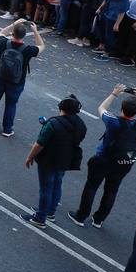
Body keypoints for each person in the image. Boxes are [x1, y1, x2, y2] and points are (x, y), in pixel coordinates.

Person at [70, 85, 136, 228]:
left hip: (103, 160)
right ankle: (98, 219)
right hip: (122, 164)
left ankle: (81, 216)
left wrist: (114, 94)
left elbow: (101, 108)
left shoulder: (113, 121)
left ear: (122, 108)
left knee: (91, 187)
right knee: (111, 190)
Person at [22, 95, 86, 228]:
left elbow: (39, 144)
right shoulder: (81, 124)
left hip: (48, 161)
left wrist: (30, 157)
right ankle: (50, 212)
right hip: (65, 160)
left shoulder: (52, 124)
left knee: (46, 188)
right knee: (57, 184)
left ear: (61, 107)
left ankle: (40, 218)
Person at [0, 19, 43, 137]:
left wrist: (13, 24)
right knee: (11, 104)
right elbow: (41, 45)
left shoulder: (4, 43)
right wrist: (35, 31)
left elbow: (0, 33)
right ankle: (7, 129)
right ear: (24, 36)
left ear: (13, 33)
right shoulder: (28, 50)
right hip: (17, 80)